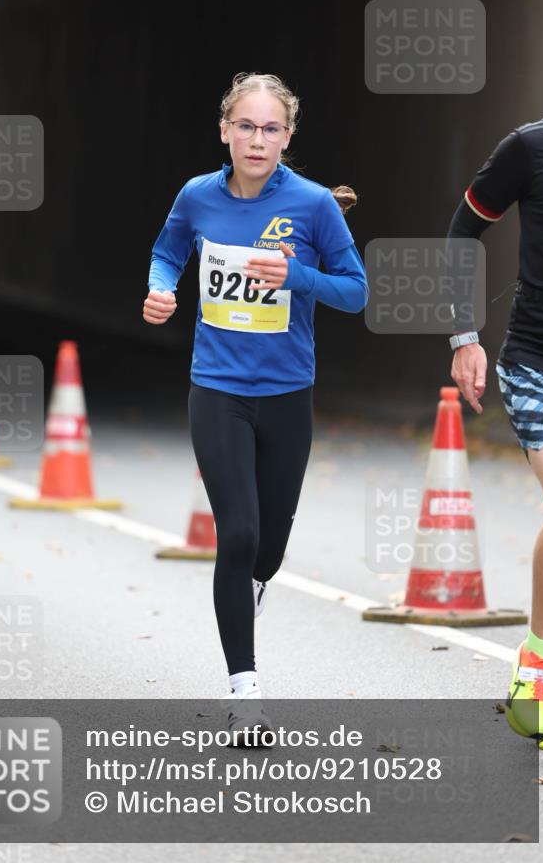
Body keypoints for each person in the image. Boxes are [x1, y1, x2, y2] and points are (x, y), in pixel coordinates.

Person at [144, 72, 368, 740]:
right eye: (245, 125)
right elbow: (166, 251)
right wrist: (162, 290)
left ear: (287, 137)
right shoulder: (196, 196)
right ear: (224, 130)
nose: (257, 139)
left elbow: (353, 292)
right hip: (215, 389)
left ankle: (255, 582)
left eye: (271, 129)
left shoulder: (311, 205)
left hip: (286, 394)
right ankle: (245, 693)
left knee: (266, 549)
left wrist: (293, 274)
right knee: (236, 535)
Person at [446, 113, 543, 750]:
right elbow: (465, 231)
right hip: (538, 365)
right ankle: (541, 663)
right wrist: (465, 337)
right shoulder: (531, 147)